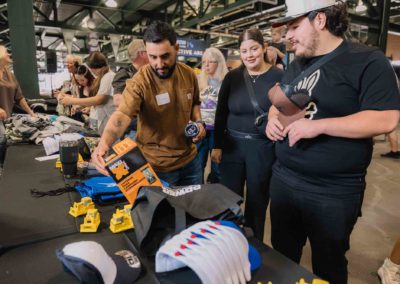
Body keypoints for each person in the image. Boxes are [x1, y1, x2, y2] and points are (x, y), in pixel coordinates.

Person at [266, 1, 400, 283]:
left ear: (320, 20)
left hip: (333, 192)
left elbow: (385, 119)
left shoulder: (367, 60)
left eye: (294, 27)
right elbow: (280, 102)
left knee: (328, 265)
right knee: (282, 257)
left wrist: (319, 126)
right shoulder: (296, 65)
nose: (287, 36)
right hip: (284, 179)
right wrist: (272, 118)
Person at [91, 21, 205, 186]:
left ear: (177, 49)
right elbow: (122, 115)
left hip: (191, 161)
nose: (159, 64)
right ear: (146, 52)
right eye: (153, 57)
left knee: (193, 208)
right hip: (158, 166)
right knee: (165, 211)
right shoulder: (140, 82)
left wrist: (198, 122)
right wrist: (104, 144)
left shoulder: (188, 74)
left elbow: (195, 103)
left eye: (165, 56)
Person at [211, 28, 283, 241]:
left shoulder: (279, 76)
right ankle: (228, 242)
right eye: (244, 51)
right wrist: (217, 145)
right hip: (232, 147)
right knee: (228, 200)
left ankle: (254, 244)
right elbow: (221, 113)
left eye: (254, 49)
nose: (249, 55)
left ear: (264, 48)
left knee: (257, 203)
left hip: (263, 149)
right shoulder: (232, 77)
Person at [59, 52, 115, 135]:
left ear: (93, 68)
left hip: (106, 123)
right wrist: (86, 107)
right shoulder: (103, 77)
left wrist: (72, 101)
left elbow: (100, 99)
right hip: (98, 121)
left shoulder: (108, 76)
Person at [0, 45, 36, 170]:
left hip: (7, 119)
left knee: (5, 143)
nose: (8, 54)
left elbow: (19, 97)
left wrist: (31, 113)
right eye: (6, 52)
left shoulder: (9, 74)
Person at [197, 47, 228, 183]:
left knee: (218, 168)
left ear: (219, 62)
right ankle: (198, 196)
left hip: (218, 131)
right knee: (198, 166)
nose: (206, 65)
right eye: (204, 62)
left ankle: (216, 197)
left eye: (211, 62)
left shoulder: (226, 81)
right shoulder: (199, 80)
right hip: (201, 129)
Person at [112, 39, 149, 139]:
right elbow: (118, 102)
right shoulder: (124, 74)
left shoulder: (148, 74)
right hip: (133, 131)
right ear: (142, 54)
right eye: (149, 51)